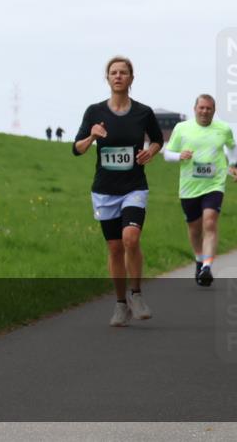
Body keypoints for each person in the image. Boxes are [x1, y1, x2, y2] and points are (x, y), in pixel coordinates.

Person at [73, 56, 163, 327]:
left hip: (134, 187)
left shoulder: (143, 112)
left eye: (123, 72)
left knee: (131, 239)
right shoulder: (94, 112)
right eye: (113, 72)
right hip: (104, 190)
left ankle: (136, 295)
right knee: (114, 249)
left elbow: (158, 139)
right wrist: (92, 136)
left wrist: (150, 152)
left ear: (131, 78)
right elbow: (76, 149)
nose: (118, 76)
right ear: (108, 78)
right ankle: (120, 303)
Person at [163, 94, 237, 287]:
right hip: (189, 186)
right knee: (194, 229)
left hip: (214, 183)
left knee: (210, 222)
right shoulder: (182, 128)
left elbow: (232, 147)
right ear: (195, 109)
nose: (205, 111)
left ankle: (207, 266)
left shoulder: (223, 129)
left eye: (209, 108)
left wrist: (235, 164)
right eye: (202, 108)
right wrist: (180, 155)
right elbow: (167, 154)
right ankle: (199, 259)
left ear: (214, 110)